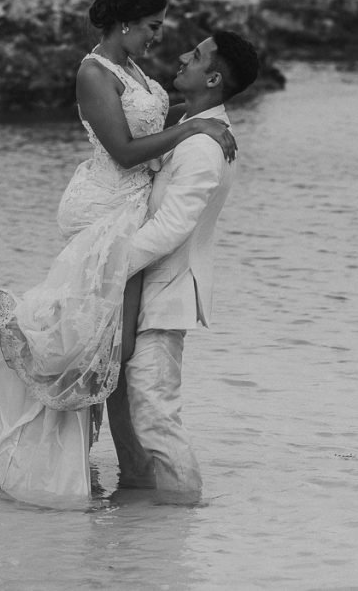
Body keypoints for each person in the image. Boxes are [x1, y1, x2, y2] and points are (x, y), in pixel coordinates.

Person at [0, 0, 237, 506]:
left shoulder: (132, 67)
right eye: (151, 25)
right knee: (107, 347)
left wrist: (193, 119)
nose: (157, 37)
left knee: (107, 345)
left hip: (131, 202)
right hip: (109, 204)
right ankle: (5, 311)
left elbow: (145, 122)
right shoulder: (93, 72)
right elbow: (124, 149)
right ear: (123, 23)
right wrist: (194, 126)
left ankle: (130, 479)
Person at [105, 30, 260, 502]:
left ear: (212, 77)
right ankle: (136, 511)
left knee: (154, 413)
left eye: (194, 56)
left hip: (165, 291)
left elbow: (173, 226)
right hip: (143, 286)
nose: (181, 57)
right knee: (123, 404)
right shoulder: (190, 127)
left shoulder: (205, 146)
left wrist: (107, 265)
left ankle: (181, 516)